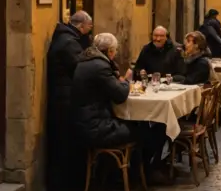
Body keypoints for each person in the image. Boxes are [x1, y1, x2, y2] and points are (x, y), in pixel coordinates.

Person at [71, 32, 167, 182]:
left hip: (85, 121)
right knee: (148, 130)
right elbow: (120, 94)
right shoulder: (100, 66)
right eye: (115, 51)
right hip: (96, 127)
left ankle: (126, 171)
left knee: (139, 125)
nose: (115, 54)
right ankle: (141, 173)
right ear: (109, 51)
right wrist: (126, 81)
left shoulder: (87, 61)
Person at [46, 11, 93, 191]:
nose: (90, 31)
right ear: (82, 26)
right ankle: (60, 189)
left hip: (62, 97)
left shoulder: (66, 38)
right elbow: (80, 69)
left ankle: (68, 186)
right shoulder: (69, 42)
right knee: (63, 144)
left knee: (64, 143)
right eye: (89, 27)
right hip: (64, 100)